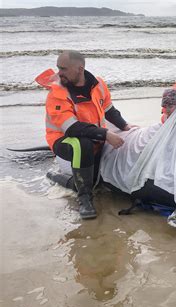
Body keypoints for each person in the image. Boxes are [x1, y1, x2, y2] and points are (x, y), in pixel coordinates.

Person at [36, 50, 135, 220]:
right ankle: (84, 199)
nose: (59, 73)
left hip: (92, 136)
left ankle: (70, 181)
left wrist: (125, 126)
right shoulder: (57, 93)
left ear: (80, 69)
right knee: (82, 144)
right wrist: (105, 134)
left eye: (64, 69)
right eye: (58, 68)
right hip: (64, 139)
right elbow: (72, 128)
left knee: (95, 181)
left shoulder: (98, 85)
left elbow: (109, 109)